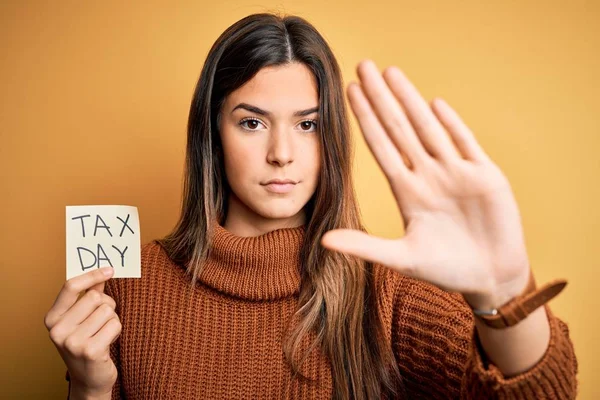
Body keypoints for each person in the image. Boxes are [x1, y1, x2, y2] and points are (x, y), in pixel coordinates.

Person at [44, 12, 578, 400]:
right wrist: (90, 389)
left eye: (309, 124)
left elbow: (539, 393)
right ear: (212, 132)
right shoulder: (123, 288)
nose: (281, 154)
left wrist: (506, 293)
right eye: (252, 122)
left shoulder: (384, 292)